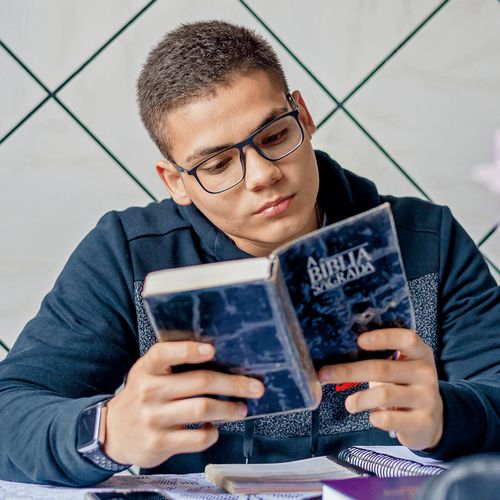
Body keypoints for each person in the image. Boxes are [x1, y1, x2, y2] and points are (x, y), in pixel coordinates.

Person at [0, 20, 498, 487]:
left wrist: (447, 416)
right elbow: (10, 410)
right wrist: (106, 432)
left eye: (275, 135)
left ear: (303, 114)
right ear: (175, 181)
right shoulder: (124, 254)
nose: (262, 175)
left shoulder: (429, 238)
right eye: (217, 164)